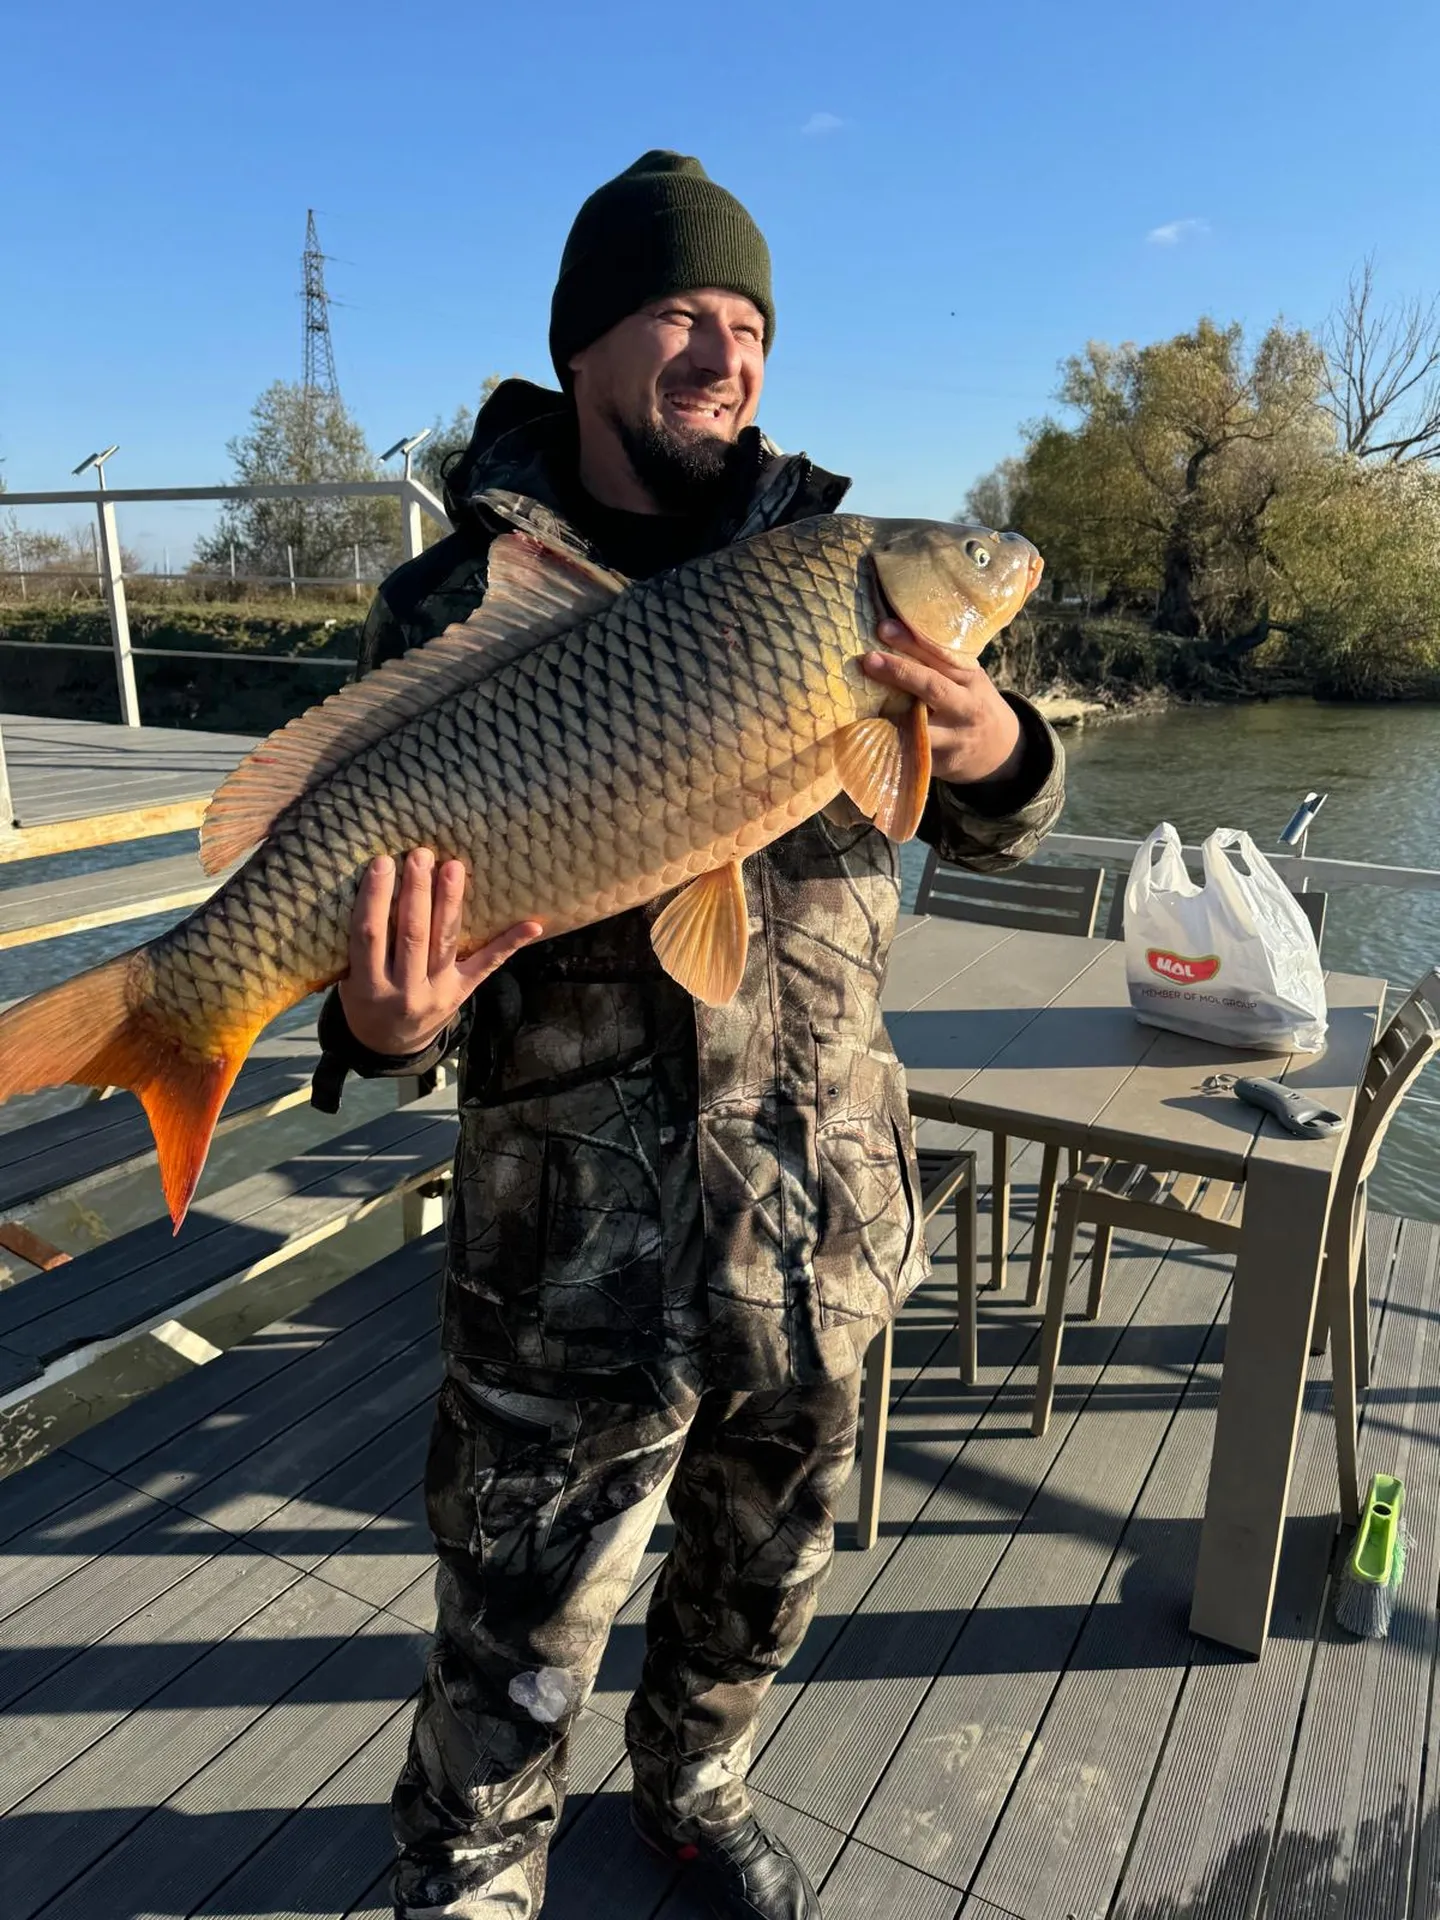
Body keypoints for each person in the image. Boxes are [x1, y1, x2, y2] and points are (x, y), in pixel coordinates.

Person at [312, 150, 1065, 1920]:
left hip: (815, 1218)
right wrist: (373, 1022)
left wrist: (999, 744)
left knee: (755, 1584)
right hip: (563, 1261)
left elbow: (1000, 819)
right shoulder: (449, 610)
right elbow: (379, 971)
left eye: (752, 326)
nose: (727, 356)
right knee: (508, 1647)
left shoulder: (838, 570)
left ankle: (695, 1786)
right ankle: (472, 1870)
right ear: (581, 342)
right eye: (679, 314)